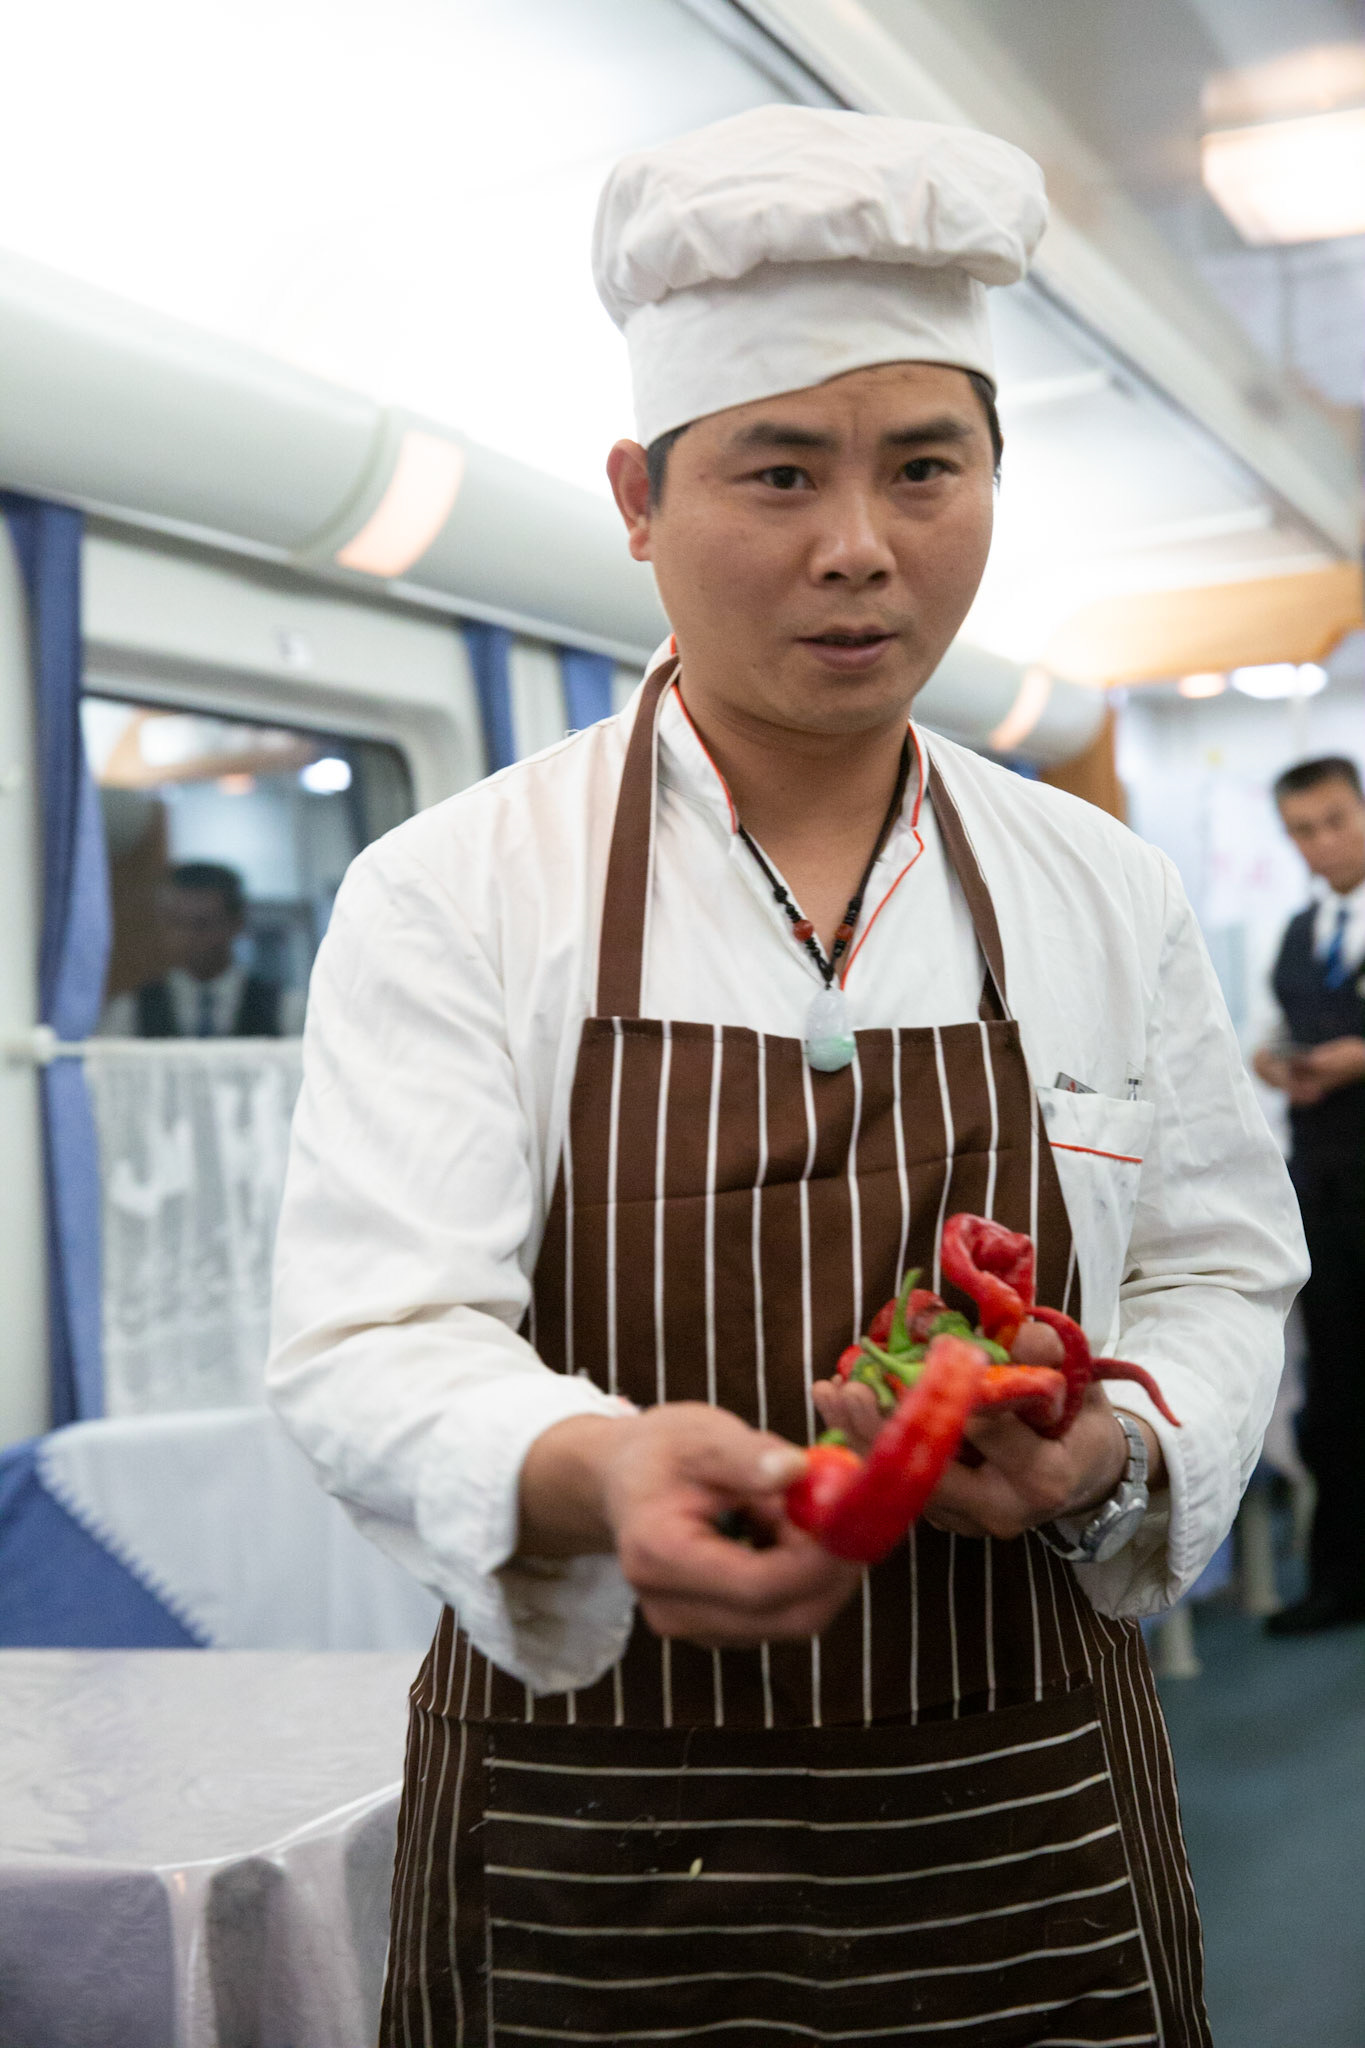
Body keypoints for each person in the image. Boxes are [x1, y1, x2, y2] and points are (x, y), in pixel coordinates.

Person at [269, 108, 1305, 2046]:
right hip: (590, 1840)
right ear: (637, 499)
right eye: (776, 471)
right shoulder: (455, 890)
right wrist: (584, 1469)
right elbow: (369, 1332)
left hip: (1023, 1826)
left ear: (992, 478)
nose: (857, 546)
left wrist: (1115, 1460)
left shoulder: (1099, 889)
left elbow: (1218, 1272)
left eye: (925, 467)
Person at [1253, 755, 1365, 1634]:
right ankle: (1339, 1579)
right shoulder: (1297, 933)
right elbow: (1282, 1026)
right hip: (1321, 1183)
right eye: (1301, 829)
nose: (1320, 842)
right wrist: (1272, 1060)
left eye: (1334, 820)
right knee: (1332, 1382)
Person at [100, 861, 296, 1037]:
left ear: (236, 924)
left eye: (202, 924)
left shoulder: (285, 1010)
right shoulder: (130, 1012)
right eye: (176, 923)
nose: (187, 937)